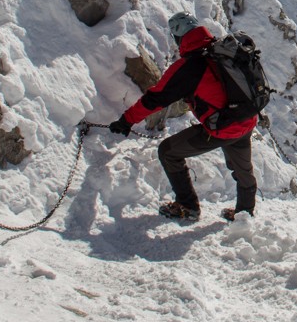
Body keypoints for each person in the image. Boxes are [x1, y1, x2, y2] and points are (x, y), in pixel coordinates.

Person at [109, 12, 258, 222]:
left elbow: (155, 99)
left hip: (223, 127)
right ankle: (245, 214)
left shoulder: (189, 66)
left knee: (168, 152)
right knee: (243, 169)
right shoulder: (220, 52)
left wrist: (126, 121)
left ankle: (188, 206)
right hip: (246, 118)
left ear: (179, 38)